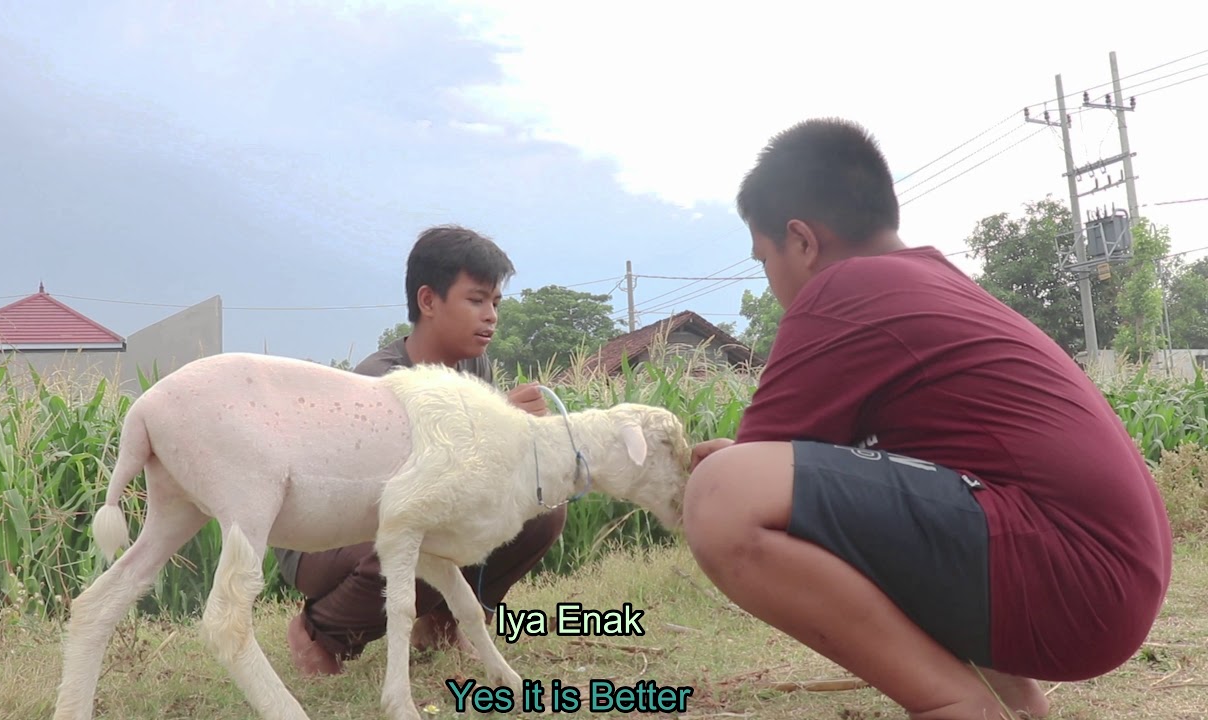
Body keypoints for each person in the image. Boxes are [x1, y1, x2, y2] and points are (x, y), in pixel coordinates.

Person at [680, 118, 1172, 720]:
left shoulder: (845, 290)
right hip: (1107, 582)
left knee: (719, 495)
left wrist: (725, 460)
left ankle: (955, 704)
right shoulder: (924, 280)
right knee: (810, 493)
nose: (769, 277)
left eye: (763, 259)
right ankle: (1010, 701)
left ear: (803, 242)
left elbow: (746, 478)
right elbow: (820, 475)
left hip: (1069, 573)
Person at [277, 224, 567, 675]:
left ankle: (444, 621)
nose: (490, 315)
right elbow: (405, 485)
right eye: (476, 300)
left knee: (540, 505)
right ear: (428, 301)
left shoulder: (473, 366)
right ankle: (319, 632)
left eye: (495, 302)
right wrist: (497, 422)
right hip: (322, 538)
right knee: (427, 528)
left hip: (397, 518)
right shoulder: (381, 380)